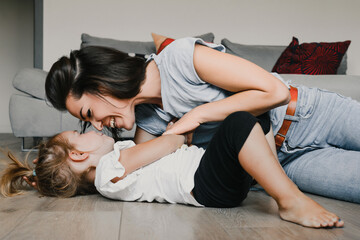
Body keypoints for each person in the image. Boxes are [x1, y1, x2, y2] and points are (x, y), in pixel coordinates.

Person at [44, 36, 360, 204]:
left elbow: (274, 90)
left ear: (102, 86)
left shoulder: (180, 58)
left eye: (89, 115)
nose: (98, 124)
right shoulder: (147, 119)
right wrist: (54, 174)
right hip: (286, 163)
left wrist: (196, 116)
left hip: (307, 114)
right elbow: (143, 166)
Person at [1, 112, 344, 228]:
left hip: (210, 180)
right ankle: (289, 199)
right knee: (239, 123)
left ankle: (272, 181)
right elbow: (168, 145)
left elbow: (166, 147)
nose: (93, 129)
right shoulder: (108, 171)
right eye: (82, 132)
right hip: (205, 185)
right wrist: (182, 128)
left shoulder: (115, 160)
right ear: (78, 155)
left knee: (255, 116)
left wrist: (179, 134)